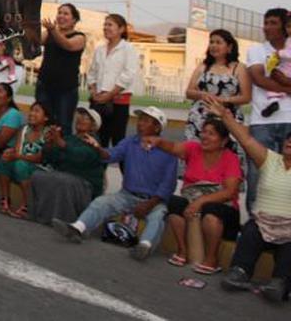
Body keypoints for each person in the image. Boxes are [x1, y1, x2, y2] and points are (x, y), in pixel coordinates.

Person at [207, 100, 291, 302]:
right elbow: (245, 139)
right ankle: (239, 272)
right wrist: (225, 116)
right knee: (250, 231)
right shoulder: (270, 159)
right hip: (263, 222)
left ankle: (280, 283)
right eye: (290, 139)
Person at [51, 107, 178, 261]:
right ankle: (77, 228)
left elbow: (168, 184)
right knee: (102, 202)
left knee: (157, 217)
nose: (139, 124)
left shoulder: (169, 152)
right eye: (140, 120)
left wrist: (149, 204)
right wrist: (97, 148)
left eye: (145, 121)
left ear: (157, 127)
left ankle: (144, 246)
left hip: (154, 200)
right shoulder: (130, 142)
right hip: (127, 195)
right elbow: (111, 155)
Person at [143, 117, 242, 274]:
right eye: (203, 132)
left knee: (211, 210)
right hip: (193, 202)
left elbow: (229, 192)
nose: (205, 136)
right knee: (174, 203)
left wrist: (201, 201)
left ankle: (212, 259)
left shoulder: (231, 158)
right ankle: (183, 251)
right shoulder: (193, 148)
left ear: (223, 141)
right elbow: (173, 147)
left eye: (211, 134)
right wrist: (157, 141)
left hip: (222, 208)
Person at [244, 8, 291, 212]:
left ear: (286, 26)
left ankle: (289, 226)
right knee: (257, 175)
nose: (267, 27)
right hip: (262, 122)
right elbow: (259, 79)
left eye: (273, 23)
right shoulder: (256, 50)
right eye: (266, 23)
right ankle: (254, 227)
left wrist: (284, 81)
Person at [183, 29, 251, 179]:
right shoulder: (203, 66)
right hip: (200, 119)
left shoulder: (238, 68)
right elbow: (189, 92)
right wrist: (202, 94)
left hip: (228, 119)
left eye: (218, 42)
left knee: (227, 157)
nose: (214, 45)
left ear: (230, 47)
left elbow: (246, 97)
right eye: (212, 42)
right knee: (198, 155)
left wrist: (223, 100)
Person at [30, 107, 105, 225]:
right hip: (66, 176)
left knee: (63, 180)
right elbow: (51, 158)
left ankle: (64, 220)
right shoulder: (70, 138)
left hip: (85, 186)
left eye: (86, 118)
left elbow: (80, 157)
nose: (80, 119)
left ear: (93, 126)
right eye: (80, 116)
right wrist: (49, 143)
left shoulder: (94, 142)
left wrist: (60, 142)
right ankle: (44, 216)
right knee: (37, 175)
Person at [86, 13, 139, 149]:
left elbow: (128, 75)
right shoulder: (100, 49)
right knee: (97, 139)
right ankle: (98, 170)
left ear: (121, 29)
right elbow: (92, 73)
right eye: (105, 25)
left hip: (118, 101)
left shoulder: (129, 49)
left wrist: (110, 95)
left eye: (110, 25)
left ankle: (125, 170)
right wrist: (93, 92)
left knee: (118, 140)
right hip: (99, 101)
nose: (106, 28)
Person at [37, 3, 86, 132]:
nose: (61, 16)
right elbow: (35, 42)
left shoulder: (80, 37)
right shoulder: (49, 33)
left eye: (66, 13)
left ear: (74, 20)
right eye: (59, 13)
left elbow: (68, 45)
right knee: (43, 122)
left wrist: (53, 30)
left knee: (63, 125)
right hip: (45, 86)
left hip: (66, 90)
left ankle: (61, 151)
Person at [0, 101, 50, 218]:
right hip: (23, 164)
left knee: (20, 164)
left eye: (37, 111)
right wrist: (9, 153)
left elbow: (40, 158)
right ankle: (5, 200)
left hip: (41, 168)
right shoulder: (25, 129)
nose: (31, 114)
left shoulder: (48, 133)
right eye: (31, 110)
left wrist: (18, 157)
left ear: (46, 117)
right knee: (5, 160)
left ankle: (27, 205)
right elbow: (17, 150)